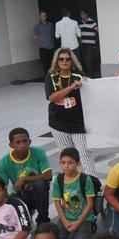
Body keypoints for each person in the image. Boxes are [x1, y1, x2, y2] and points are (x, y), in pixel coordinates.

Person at [45, 47, 94, 175]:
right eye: (61, 59)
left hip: (78, 123)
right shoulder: (51, 77)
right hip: (58, 123)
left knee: (84, 154)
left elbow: (93, 92)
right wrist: (71, 87)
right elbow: (51, 97)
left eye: (68, 59)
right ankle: (73, 184)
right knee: (67, 157)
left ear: (72, 61)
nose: (64, 62)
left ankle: (92, 184)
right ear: (57, 61)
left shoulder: (80, 76)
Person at [0, 127, 51, 224]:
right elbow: (1, 188)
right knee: (22, 221)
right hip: (19, 193)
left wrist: (24, 179)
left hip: (38, 191)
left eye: (25, 141)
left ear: (29, 141)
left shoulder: (38, 153)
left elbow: (48, 175)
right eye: (18, 142)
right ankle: (25, 219)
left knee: (40, 184)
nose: (22, 145)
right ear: (11, 145)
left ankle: (43, 220)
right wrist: (8, 205)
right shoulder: (3, 163)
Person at [51, 147, 97, 239]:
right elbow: (57, 203)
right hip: (67, 217)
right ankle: (70, 230)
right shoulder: (58, 180)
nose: (66, 166)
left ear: (78, 163)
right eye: (63, 163)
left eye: (70, 163)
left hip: (84, 218)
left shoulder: (85, 179)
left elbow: (90, 204)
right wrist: (64, 221)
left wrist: (78, 222)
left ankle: (86, 228)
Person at [78, 9, 100, 78]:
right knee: (85, 60)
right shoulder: (80, 23)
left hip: (90, 45)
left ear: (87, 14)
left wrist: (95, 42)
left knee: (89, 60)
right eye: (81, 14)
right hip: (83, 44)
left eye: (83, 14)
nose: (82, 15)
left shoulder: (92, 22)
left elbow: (98, 31)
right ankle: (88, 74)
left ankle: (91, 75)